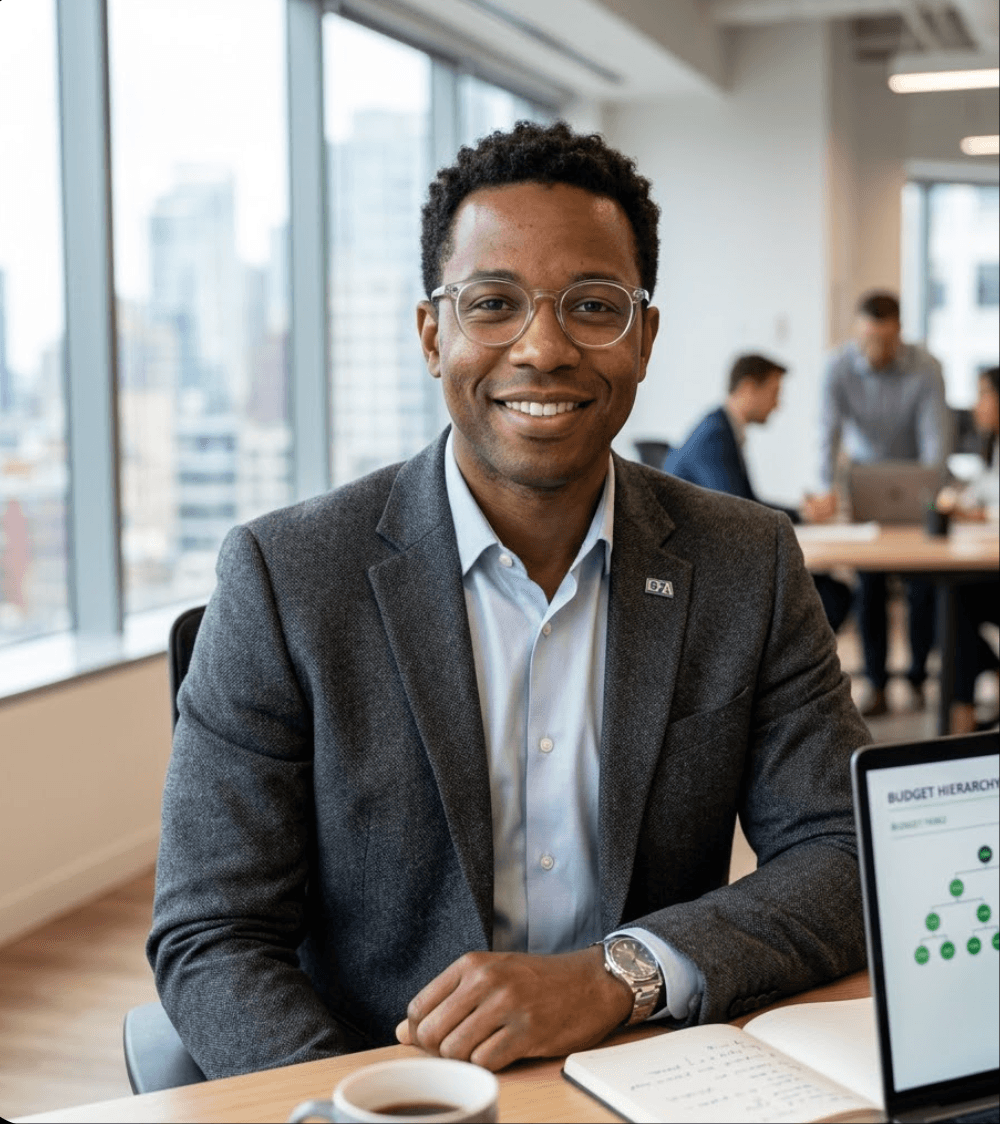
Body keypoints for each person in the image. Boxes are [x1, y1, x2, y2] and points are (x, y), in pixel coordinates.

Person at [148, 122, 869, 1081]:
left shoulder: (748, 561)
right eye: (493, 303)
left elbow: (845, 855)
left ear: (644, 338)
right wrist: (374, 1103)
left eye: (593, 306)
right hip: (376, 1081)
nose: (542, 348)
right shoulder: (284, 577)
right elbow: (212, 933)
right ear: (431, 333)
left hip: (654, 1076)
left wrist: (621, 975)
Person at [807, 292, 949, 718]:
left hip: (916, 486)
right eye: (868, 339)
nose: (876, 351)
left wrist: (933, 493)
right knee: (869, 586)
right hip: (864, 485)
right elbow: (825, 434)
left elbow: (936, 443)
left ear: (899, 333)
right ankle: (877, 683)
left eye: (885, 341)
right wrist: (823, 487)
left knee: (922, 586)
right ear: (857, 331)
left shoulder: (926, 367)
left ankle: (921, 678)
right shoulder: (837, 367)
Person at [663, 353, 853, 632]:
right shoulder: (716, 435)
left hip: (712, 566)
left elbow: (745, 503)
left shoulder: (722, 428)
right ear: (749, 387)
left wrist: (803, 512)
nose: (778, 405)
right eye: (774, 393)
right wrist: (801, 514)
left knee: (829, 590)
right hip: (704, 579)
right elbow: (739, 511)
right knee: (832, 597)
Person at [941, 366, 999, 733]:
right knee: (953, 598)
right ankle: (960, 714)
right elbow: (983, 488)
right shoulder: (991, 447)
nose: (977, 405)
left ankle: (960, 722)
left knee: (957, 601)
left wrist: (979, 512)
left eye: (983, 394)